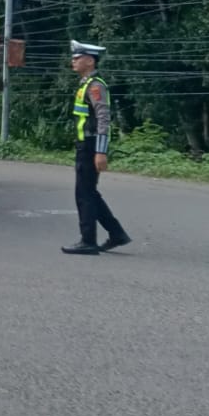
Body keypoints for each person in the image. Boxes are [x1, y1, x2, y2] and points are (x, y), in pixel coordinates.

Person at [62, 41, 131, 256]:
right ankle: (117, 233)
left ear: (90, 60)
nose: (73, 61)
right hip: (85, 145)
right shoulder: (86, 84)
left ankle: (88, 241)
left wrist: (101, 152)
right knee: (89, 193)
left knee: (84, 194)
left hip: (91, 147)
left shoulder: (95, 86)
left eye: (77, 57)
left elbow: (103, 119)